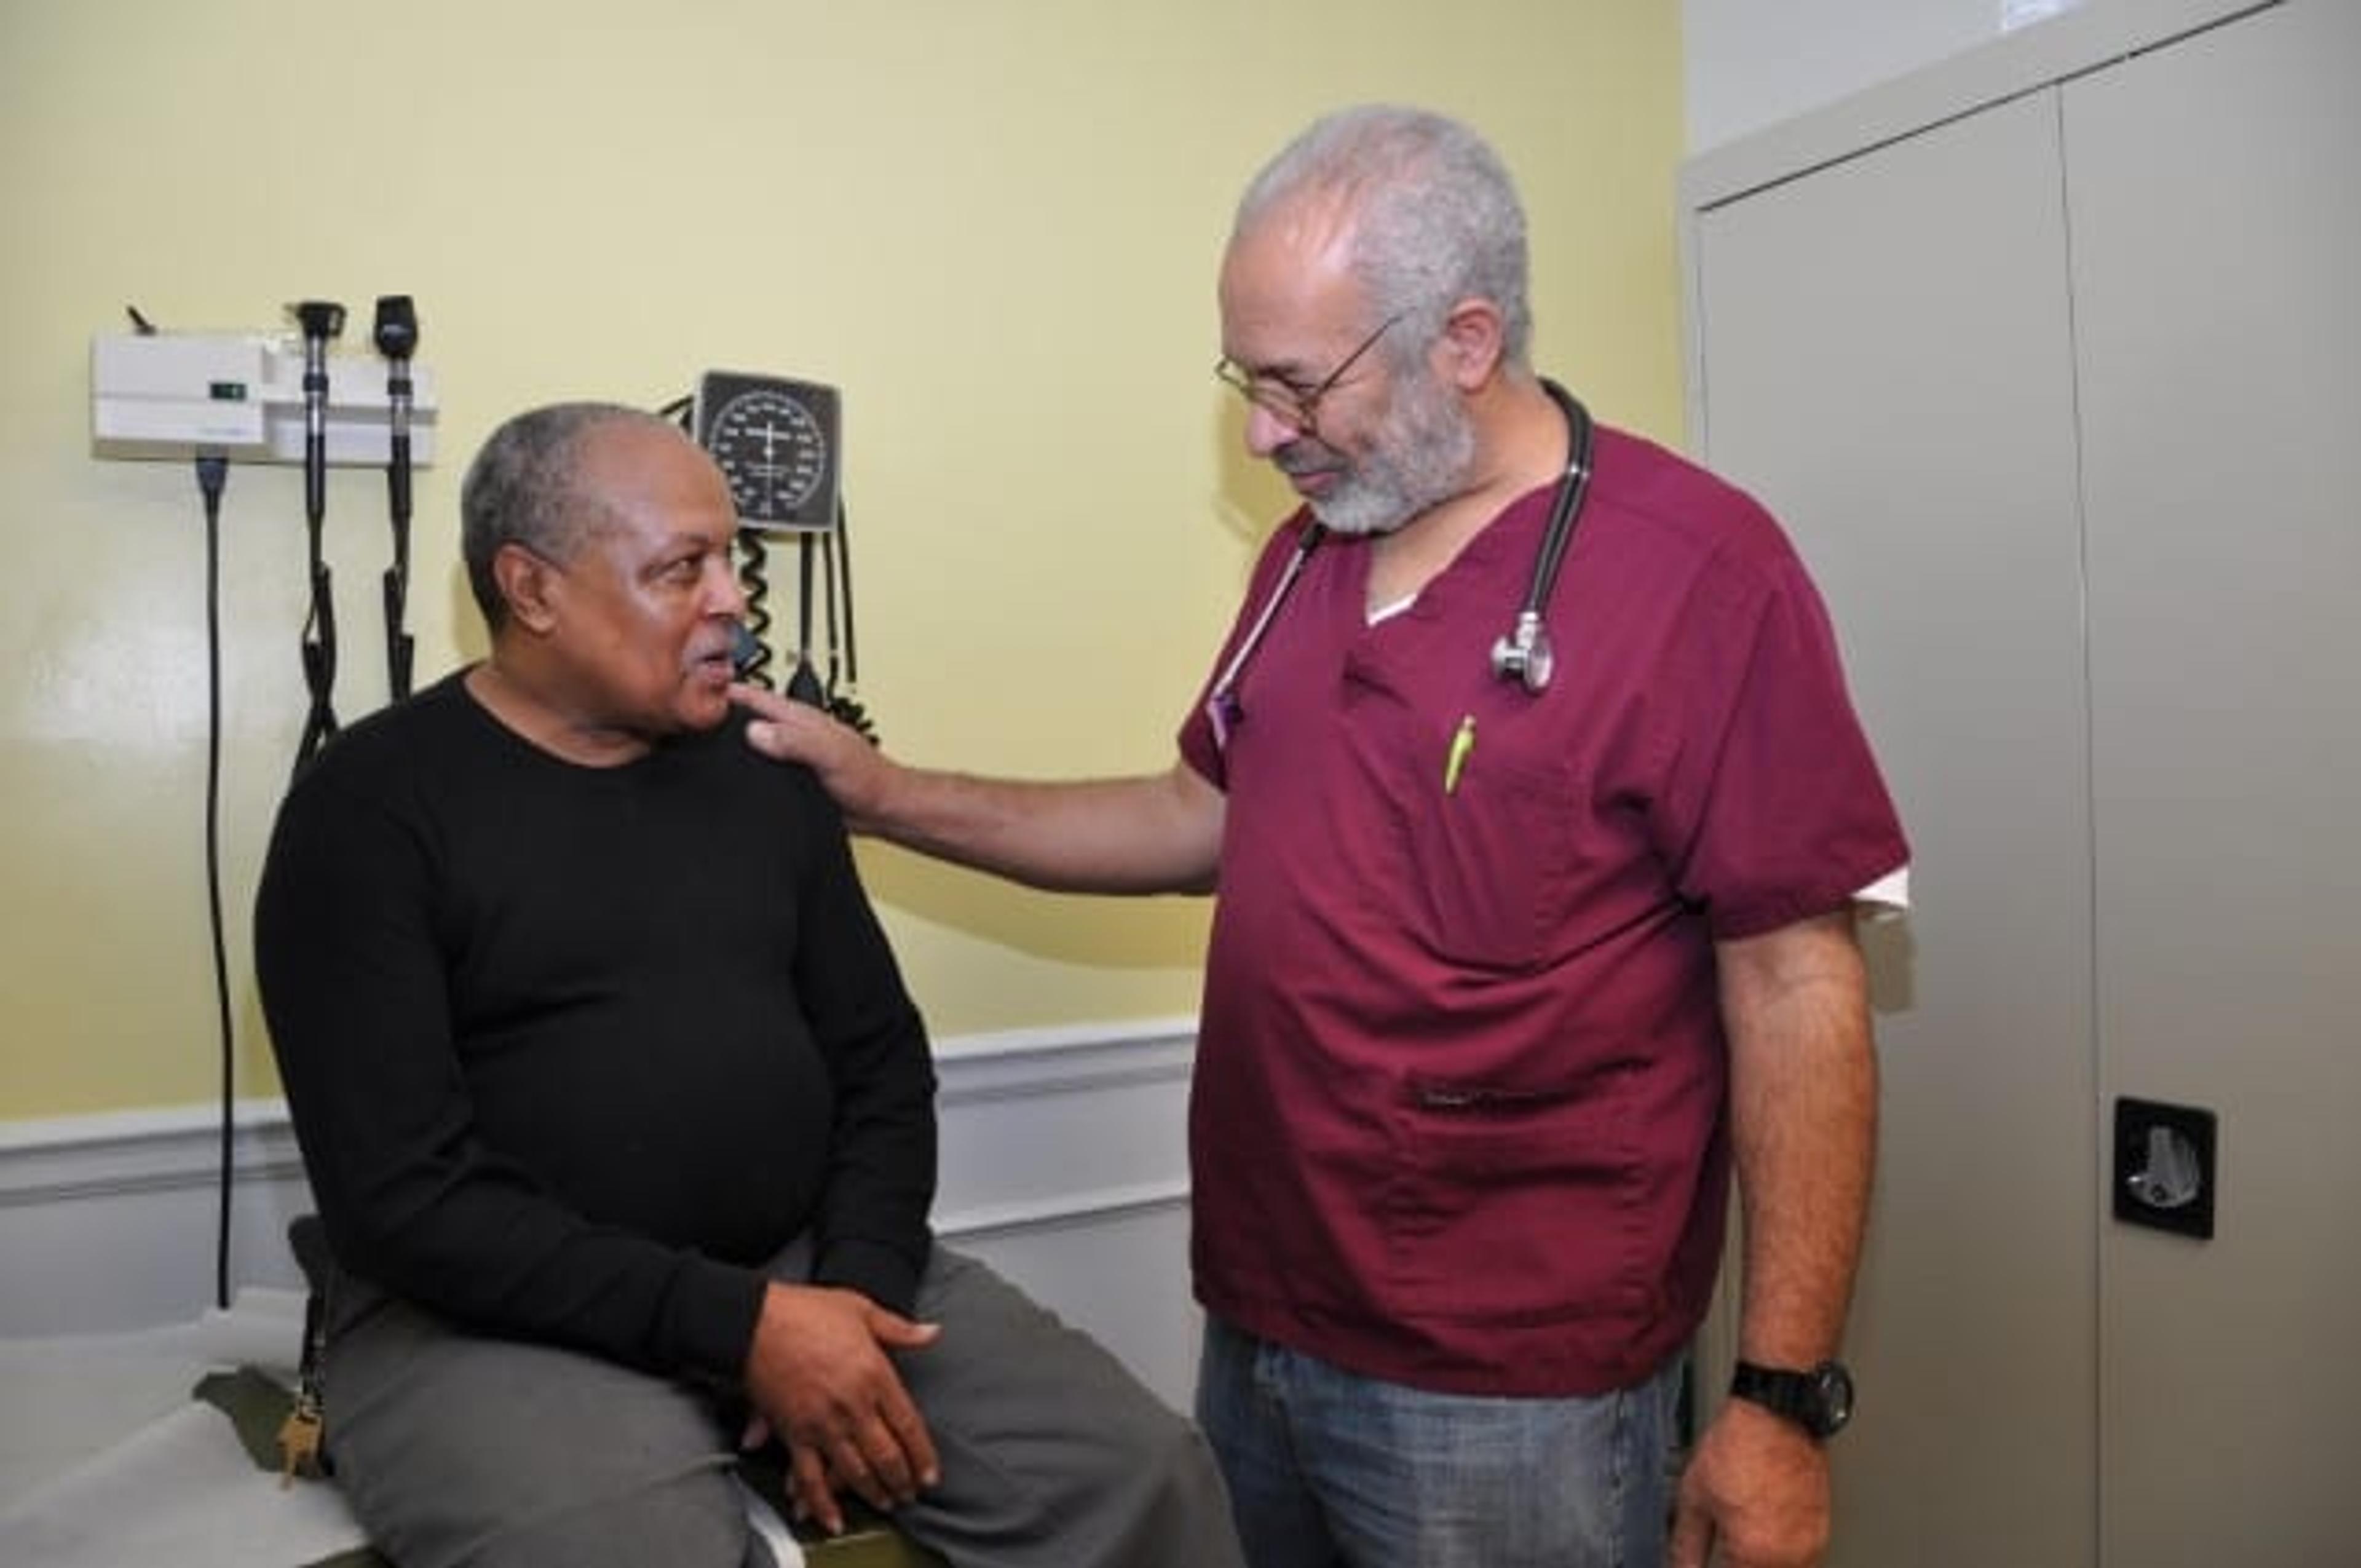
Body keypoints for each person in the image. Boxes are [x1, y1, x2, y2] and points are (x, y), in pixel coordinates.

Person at [734, 104, 1910, 1568]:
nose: (1261, 432)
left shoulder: (1704, 578)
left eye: (1296, 384)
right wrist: (887, 792)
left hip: (1513, 1392)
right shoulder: (1309, 556)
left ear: (1464, 343)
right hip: (1263, 1321)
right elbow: (1196, 816)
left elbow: (1801, 992)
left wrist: (1780, 1405)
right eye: (1244, 378)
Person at [252, 402, 1245, 1568]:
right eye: (684, 568)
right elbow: (406, 1199)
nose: (731, 597)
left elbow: (880, 1063)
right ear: (532, 591)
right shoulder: (368, 815)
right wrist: (744, 1330)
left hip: (804, 1264)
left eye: (729, 557)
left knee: (1143, 1477)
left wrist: (855, 1302)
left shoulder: (765, 773)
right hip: (490, 1318)